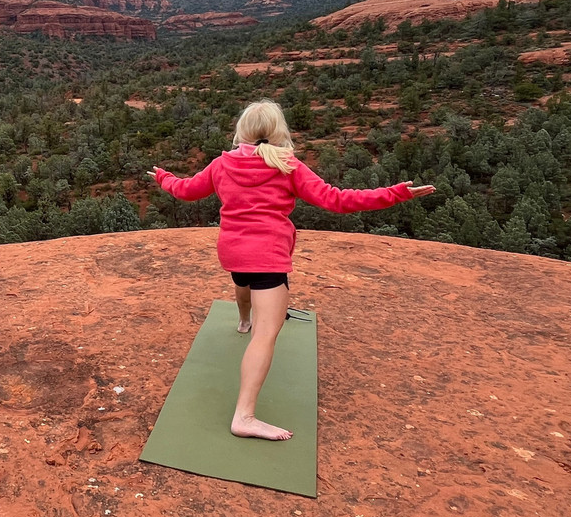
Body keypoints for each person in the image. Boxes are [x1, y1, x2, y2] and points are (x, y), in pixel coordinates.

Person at [150, 99, 434, 440]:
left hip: (233, 251)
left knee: (243, 283)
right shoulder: (288, 165)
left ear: (242, 131)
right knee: (266, 335)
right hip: (267, 254)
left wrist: (164, 177)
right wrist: (396, 194)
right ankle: (244, 416)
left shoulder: (221, 164)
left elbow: (185, 191)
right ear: (277, 131)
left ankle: (242, 320)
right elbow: (337, 199)